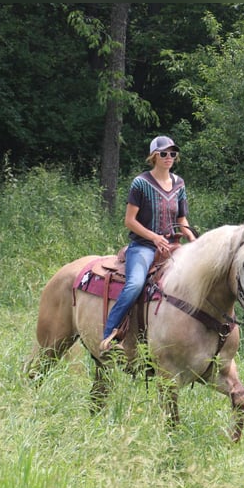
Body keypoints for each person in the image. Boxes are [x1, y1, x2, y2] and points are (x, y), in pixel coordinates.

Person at [100, 135, 197, 354]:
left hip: (173, 245)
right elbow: (130, 221)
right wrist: (154, 237)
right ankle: (110, 335)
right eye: (164, 153)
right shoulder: (141, 183)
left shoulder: (179, 183)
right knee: (135, 284)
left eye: (172, 154)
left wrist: (192, 239)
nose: (169, 157)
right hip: (144, 247)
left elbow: (181, 219)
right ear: (154, 156)